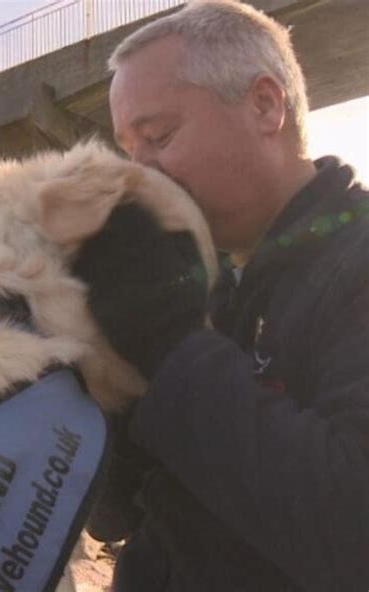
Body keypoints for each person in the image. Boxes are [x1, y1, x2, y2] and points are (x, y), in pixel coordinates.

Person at [87, 1, 369, 590]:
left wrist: (164, 341)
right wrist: (97, 367)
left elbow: (352, 533)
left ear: (266, 105)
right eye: (127, 149)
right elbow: (114, 514)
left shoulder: (354, 265)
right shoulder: (201, 288)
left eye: (159, 136)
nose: (139, 174)